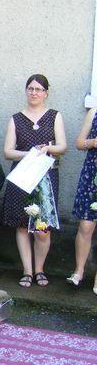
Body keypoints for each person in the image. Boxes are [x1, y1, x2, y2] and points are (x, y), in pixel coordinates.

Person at [1, 74, 67, 288]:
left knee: (42, 227)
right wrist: (29, 153)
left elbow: (62, 147)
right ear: (26, 91)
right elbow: (8, 152)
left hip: (46, 178)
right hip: (22, 178)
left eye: (39, 89)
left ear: (46, 93)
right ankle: (27, 271)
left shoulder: (55, 116)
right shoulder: (15, 118)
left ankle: (40, 269)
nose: (34, 92)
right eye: (30, 88)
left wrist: (47, 149)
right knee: (22, 226)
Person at [68, 107, 97, 292]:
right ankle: (79, 271)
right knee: (86, 225)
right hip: (92, 175)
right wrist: (92, 142)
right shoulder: (94, 111)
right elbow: (79, 142)